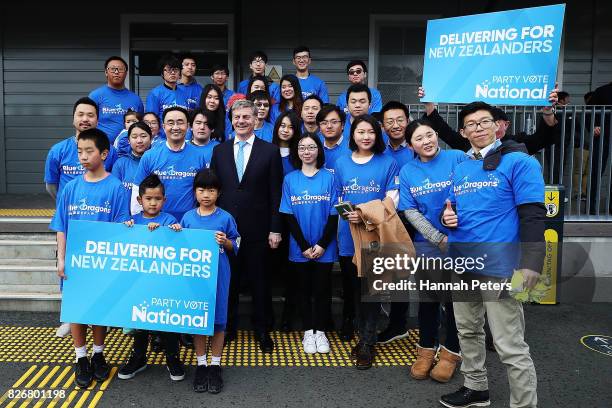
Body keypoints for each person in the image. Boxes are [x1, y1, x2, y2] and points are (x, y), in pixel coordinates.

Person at [439, 101, 545, 408]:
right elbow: (452, 208)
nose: (478, 128)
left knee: (509, 344)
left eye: (484, 122)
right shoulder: (460, 168)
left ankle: (524, 404)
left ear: (497, 125)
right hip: (462, 262)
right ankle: (476, 389)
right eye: (471, 124)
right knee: (467, 331)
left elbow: (533, 215)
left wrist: (531, 263)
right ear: (463, 132)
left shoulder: (519, 162)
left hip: (499, 267)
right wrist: (449, 217)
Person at [49, 128, 130, 388]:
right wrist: (61, 259)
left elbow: (119, 227)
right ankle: (80, 357)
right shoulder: (70, 188)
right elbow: (61, 226)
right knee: (76, 309)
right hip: (75, 262)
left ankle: (98, 353)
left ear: (104, 153)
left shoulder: (116, 188)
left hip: (102, 262)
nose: (83, 156)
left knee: (99, 311)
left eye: (89, 151)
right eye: (80, 151)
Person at [209, 99, 283, 353]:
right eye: (237, 117)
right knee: (228, 282)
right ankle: (227, 327)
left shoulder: (270, 151)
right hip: (225, 231)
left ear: (255, 119)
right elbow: (213, 191)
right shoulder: (219, 151)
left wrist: (275, 228)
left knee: (260, 282)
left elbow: (276, 193)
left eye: (246, 117)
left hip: (259, 229)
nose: (241, 121)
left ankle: (262, 330)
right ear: (231, 119)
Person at [398, 119, 468, 383]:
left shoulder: (458, 158)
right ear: (410, 145)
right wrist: (438, 238)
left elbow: (473, 193)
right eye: (418, 138)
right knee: (428, 301)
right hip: (428, 246)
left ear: (437, 135)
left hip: (462, 243)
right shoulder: (408, 171)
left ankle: (451, 352)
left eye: (429, 135)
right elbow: (410, 211)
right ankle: (426, 350)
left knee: (454, 303)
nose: (426, 141)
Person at [333, 114, 400, 368]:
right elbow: (337, 196)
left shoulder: (388, 163)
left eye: (370, 132)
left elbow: (393, 200)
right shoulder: (341, 163)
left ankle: (368, 343)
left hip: (374, 233)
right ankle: (361, 333)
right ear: (353, 135)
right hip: (347, 235)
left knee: (370, 292)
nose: (365, 137)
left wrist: (364, 213)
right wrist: (347, 212)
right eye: (360, 132)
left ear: (378, 134)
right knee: (353, 289)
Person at [117, 174, 184, 382]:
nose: (153, 203)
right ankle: (139, 357)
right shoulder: (132, 222)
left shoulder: (170, 220)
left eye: (157, 198)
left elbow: (179, 248)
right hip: (139, 283)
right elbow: (122, 247)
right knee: (139, 322)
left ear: (164, 200)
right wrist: (127, 229)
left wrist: (173, 232)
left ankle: (173, 358)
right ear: (139, 200)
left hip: (164, 284)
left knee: (167, 321)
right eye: (148, 198)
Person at [180, 169, 240, 394]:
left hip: (220, 275)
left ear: (219, 192)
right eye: (202, 190)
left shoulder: (225, 217)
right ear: (195, 191)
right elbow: (179, 248)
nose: (206, 194)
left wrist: (226, 242)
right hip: (194, 278)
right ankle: (201, 363)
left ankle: (215, 365)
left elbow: (236, 244)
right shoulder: (187, 218)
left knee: (218, 321)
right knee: (198, 320)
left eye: (211, 190)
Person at [280, 133, 338, 354]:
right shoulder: (290, 179)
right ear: (297, 152)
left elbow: (334, 214)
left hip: (325, 245)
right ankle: (308, 332)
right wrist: (304, 245)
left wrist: (323, 243)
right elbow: (288, 215)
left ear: (318, 151)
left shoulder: (329, 178)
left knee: (322, 289)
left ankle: (320, 331)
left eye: (311, 147)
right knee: (303, 290)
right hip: (299, 246)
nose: (306, 151)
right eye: (302, 147)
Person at [418, 86, 560, 155]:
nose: (481, 127)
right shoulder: (468, 145)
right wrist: (430, 106)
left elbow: (544, 137)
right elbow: (445, 131)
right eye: (474, 124)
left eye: (487, 122)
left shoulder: (518, 145)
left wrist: (548, 111)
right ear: (464, 132)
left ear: (503, 124)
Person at [132, 106, 209, 220]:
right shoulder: (149, 156)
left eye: (180, 122)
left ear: (188, 126)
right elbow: (137, 190)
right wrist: (139, 222)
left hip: (189, 221)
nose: (175, 127)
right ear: (163, 127)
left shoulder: (199, 156)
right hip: (156, 223)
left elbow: (204, 191)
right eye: (170, 123)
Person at [45, 97, 118, 202]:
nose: (85, 119)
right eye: (80, 114)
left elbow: (114, 182)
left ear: (97, 121)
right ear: (73, 119)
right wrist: (65, 203)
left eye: (90, 115)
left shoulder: (110, 151)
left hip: (100, 212)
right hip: (68, 214)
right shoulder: (57, 151)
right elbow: (51, 186)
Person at [89, 56, 143, 144]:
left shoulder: (136, 99)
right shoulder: (95, 96)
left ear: (126, 73)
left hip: (129, 151)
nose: (117, 72)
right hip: (103, 148)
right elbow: (88, 123)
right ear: (106, 72)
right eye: (113, 69)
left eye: (120, 69)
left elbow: (141, 126)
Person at [145, 54, 189, 121]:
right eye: (169, 70)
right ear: (162, 73)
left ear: (180, 74)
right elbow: (151, 120)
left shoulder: (184, 93)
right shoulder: (155, 94)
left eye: (176, 70)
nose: (173, 72)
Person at [112, 122, 152, 192]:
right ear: (129, 141)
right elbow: (114, 192)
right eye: (134, 137)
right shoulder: (120, 164)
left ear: (151, 138)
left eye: (143, 136)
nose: (139, 141)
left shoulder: (157, 161)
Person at [315, 104, 350, 172]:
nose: (329, 126)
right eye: (324, 123)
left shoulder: (351, 149)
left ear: (342, 125)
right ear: (319, 127)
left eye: (334, 122)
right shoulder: (314, 147)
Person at [381, 101, 414, 168]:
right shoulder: (378, 148)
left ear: (407, 122)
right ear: (382, 126)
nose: (396, 126)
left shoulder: (417, 147)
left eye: (400, 120)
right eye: (390, 122)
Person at [272, 110, 300, 176]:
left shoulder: (300, 154)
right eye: (282, 126)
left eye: (291, 127)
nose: (286, 130)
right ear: (277, 127)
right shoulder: (268, 151)